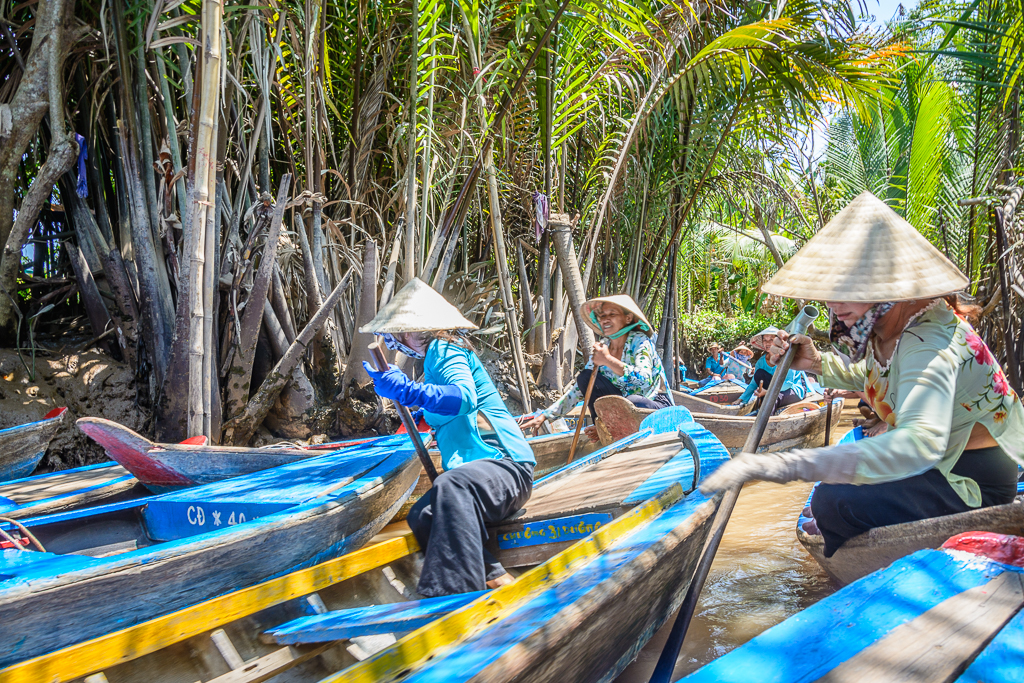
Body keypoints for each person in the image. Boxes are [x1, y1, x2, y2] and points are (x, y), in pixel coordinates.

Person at [701, 191, 1024, 558]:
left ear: (889, 284)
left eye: (848, 290)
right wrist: (815, 362)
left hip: (970, 481)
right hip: (943, 467)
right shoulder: (888, 328)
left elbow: (918, 443)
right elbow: (872, 377)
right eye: (831, 291)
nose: (834, 305)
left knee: (834, 500)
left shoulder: (926, 338)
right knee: (835, 494)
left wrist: (782, 465)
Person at [360, 278, 535, 596]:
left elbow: (463, 398)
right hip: (484, 476)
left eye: (398, 333)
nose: (395, 341)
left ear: (415, 330)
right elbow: (447, 410)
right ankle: (493, 576)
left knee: (450, 485)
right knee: (422, 514)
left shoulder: (445, 348)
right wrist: (419, 410)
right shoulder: (433, 360)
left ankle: (455, 591)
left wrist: (408, 391)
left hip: (506, 468)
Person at [521, 294, 673, 433]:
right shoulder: (603, 346)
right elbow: (577, 391)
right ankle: (604, 428)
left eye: (612, 314)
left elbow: (644, 379)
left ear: (627, 319)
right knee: (585, 378)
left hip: (652, 404)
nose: (605, 319)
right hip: (624, 409)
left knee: (630, 403)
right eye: (602, 316)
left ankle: (608, 426)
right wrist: (545, 416)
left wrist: (608, 360)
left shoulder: (640, 341)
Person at [734, 327, 809, 411]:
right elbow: (753, 383)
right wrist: (740, 399)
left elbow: (788, 383)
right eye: (765, 340)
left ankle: (766, 422)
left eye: (771, 340)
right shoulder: (761, 362)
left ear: (778, 342)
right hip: (772, 390)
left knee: (771, 399)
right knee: (759, 373)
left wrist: (767, 392)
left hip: (791, 390)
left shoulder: (786, 358)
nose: (768, 343)